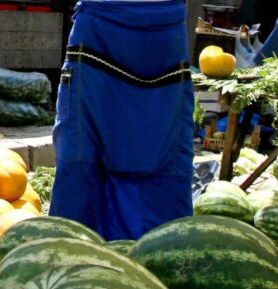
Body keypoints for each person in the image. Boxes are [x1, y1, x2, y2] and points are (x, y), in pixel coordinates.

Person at [49, 0, 195, 240]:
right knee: (81, 163)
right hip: (106, 34)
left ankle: (153, 258)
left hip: (154, 35)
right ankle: (76, 258)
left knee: (84, 161)